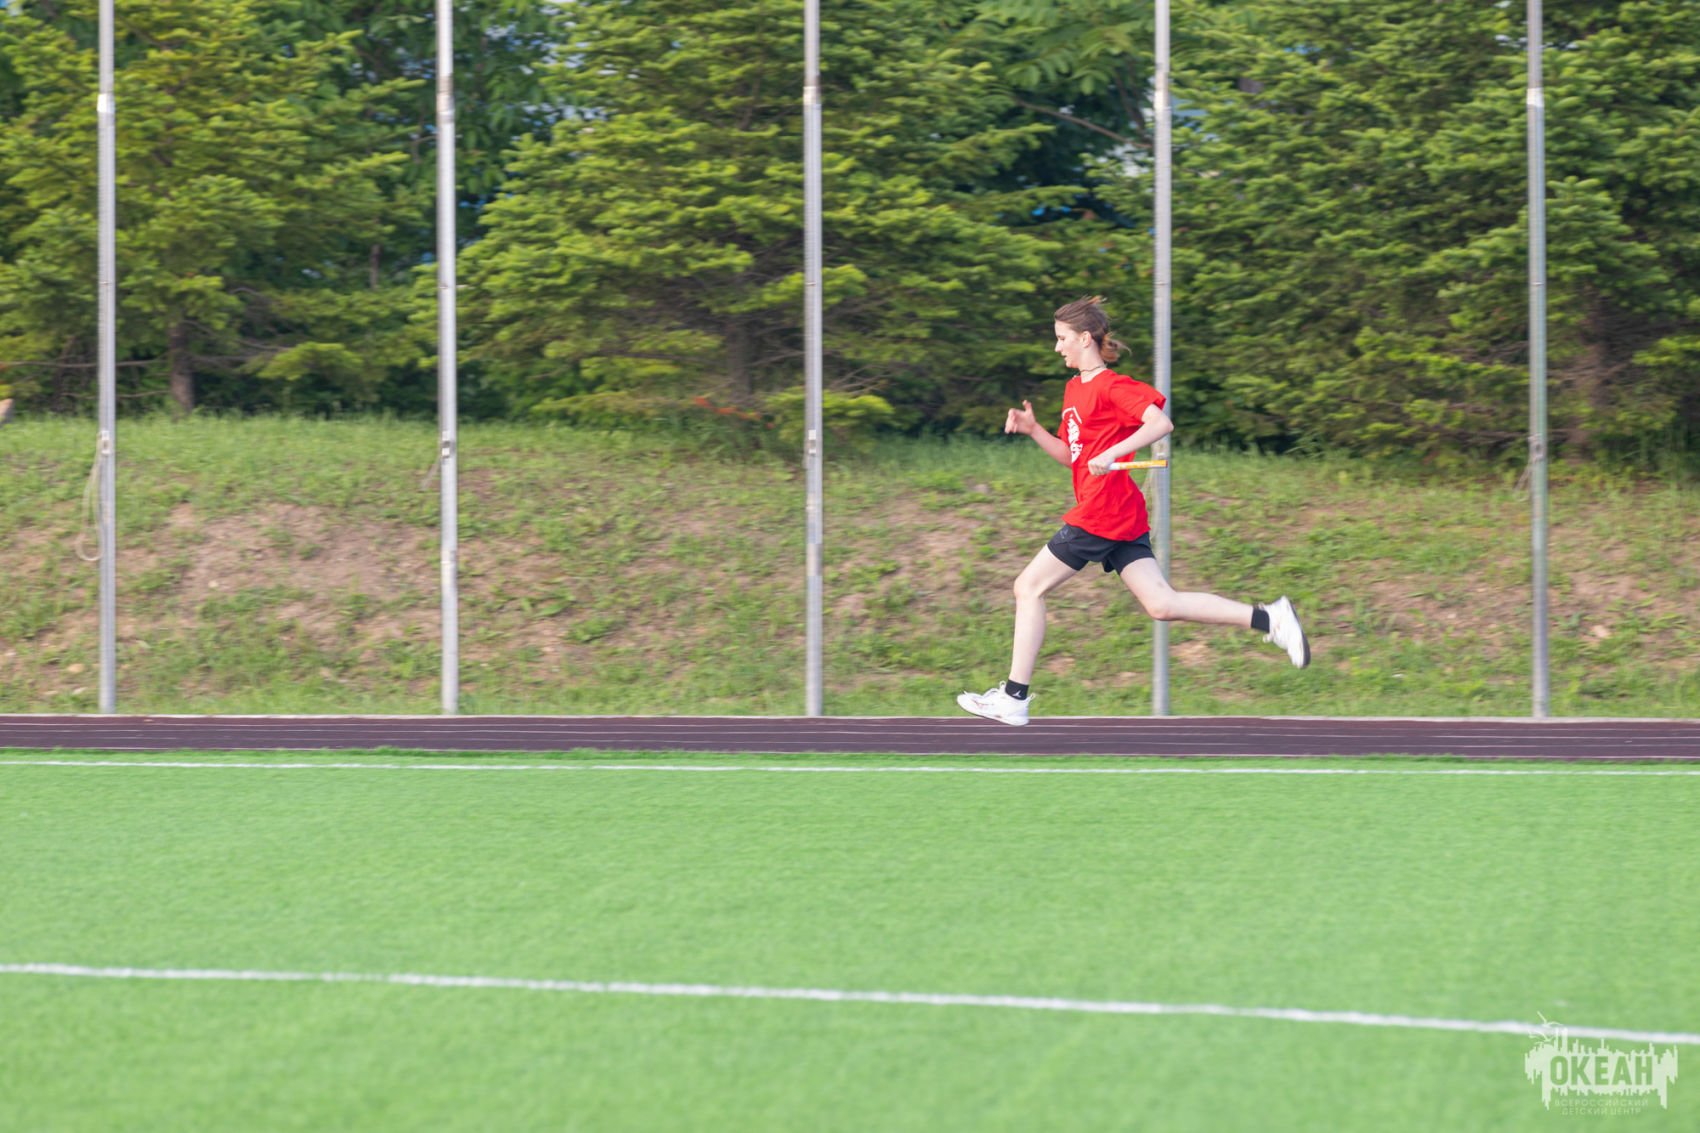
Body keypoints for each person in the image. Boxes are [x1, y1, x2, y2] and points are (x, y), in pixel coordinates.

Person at [957, 296, 1308, 726]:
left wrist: (1114, 452)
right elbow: (1073, 457)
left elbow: (1160, 423)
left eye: (1062, 338)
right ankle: (1270, 618)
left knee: (1028, 587)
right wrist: (1034, 430)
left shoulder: (1112, 386)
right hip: (1118, 512)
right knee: (1162, 604)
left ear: (1085, 338)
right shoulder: (1074, 390)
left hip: (1103, 510)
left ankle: (1014, 697)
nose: (1057, 347)